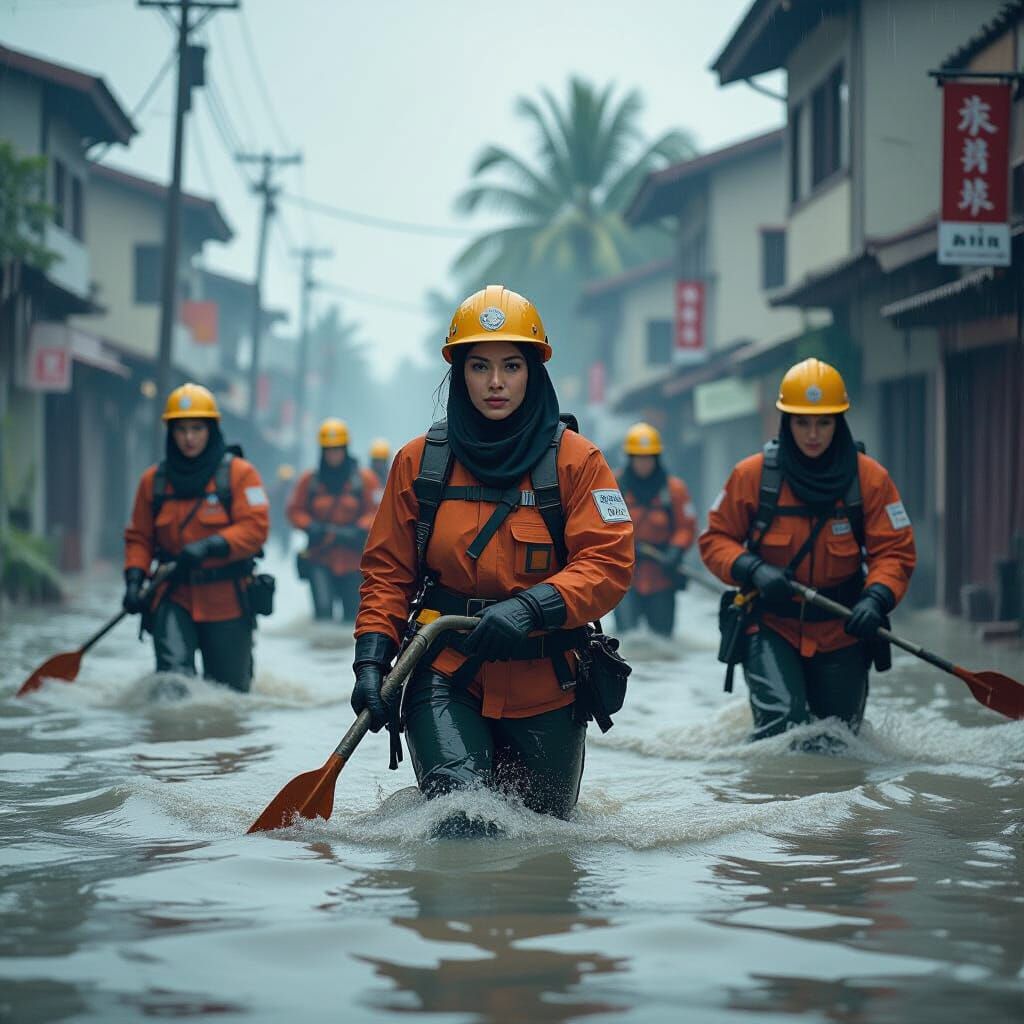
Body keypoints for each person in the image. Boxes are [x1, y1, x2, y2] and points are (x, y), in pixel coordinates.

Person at [353, 284, 634, 822]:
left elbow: (609, 563)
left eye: (511, 365)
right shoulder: (418, 462)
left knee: (546, 837)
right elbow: (386, 574)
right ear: (459, 373)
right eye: (480, 366)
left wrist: (532, 607)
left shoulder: (579, 461)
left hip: (548, 682)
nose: (497, 382)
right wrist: (370, 661)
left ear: (534, 371)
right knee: (462, 823)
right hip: (445, 671)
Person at [700, 358, 916, 741]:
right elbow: (715, 539)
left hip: (843, 626)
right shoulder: (752, 476)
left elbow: (894, 552)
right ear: (786, 423)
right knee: (782, 727)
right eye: (802, 422)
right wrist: (752, 569)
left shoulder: (870, 479)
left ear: (839, 422)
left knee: (838, 738)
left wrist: (876, 599)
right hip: (770, 625)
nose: (813, 434)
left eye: (823, 422)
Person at [123, 383, 270, 692]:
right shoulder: (153, 482)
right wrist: (134, 579)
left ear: (211, 430)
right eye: (181, 430)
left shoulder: (240, 475)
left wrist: (209, 546)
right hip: (173, 596)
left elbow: (255, 528)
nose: (189, 438)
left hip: (227, 600)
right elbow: (139, 537)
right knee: (171, 687)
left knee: (230, 693)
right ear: (170, 433)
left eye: (196, 429)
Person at [287, 419, 380, 622]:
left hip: (353, 560)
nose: (333, 455)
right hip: (320, 557)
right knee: (323, 613)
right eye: (329, 450)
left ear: (345, 449)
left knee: (353, 617)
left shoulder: (364, 479)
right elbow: (294, 510)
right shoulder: (309, 480)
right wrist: (310, 525)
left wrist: (359, 528)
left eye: (337, 449)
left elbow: (378, 511)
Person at [615, 422, 697, 637]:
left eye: (648, 457)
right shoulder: (613, 486)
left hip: (662, 576)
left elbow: (686, 527)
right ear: (630, 458)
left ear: (657, 458)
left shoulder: (674, 490)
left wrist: (675, 551)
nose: (644, 463)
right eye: (638, 458)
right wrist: (624, 547)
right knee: (627, 638)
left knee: (662, 638)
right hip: (625, 579)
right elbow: (601, 526)